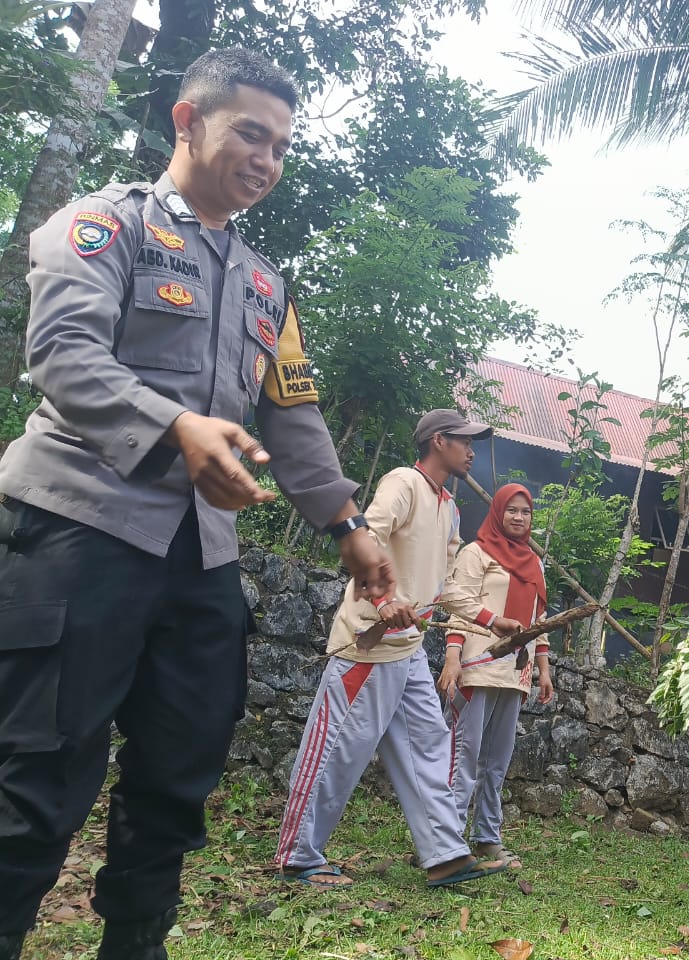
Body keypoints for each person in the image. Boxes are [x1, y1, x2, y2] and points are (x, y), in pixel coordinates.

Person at [0, 49, 396, 960]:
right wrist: (175, 427)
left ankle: (136, 946)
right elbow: (62, 351)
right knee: (36, 776)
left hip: (201, 559)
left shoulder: (265, 284)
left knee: (178, 778)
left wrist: (347, 526)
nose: (267, 159)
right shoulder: (105, 225)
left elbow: (293, 416)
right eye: (251, 134)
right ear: (188, 121)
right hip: (78, 530)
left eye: (281, 146)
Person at [275, 409, 512, 888]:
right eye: (464, 441)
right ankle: (298, 857)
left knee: (429, 744)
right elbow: (366, 537)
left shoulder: (449, 506)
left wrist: (490, 620)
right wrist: (383, 601)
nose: (471, 451)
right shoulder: (403, 482)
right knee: (337, 750)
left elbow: (447, 585)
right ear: (439, 441)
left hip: (409, 650)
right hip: (367, 645)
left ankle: (444, 854)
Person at [438, 483, 553, 867]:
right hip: (476, 666)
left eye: (526, 511)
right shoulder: (476, 552)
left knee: (497, 762)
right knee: (462, 756)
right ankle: (447, 840)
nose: (519, 517)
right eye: (512, 510)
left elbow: (538, 621)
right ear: (498, 512)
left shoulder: (534, 562)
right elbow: (459, 607)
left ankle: (487, 837)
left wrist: (543, 669)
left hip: (514, 674)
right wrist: (452, 657)